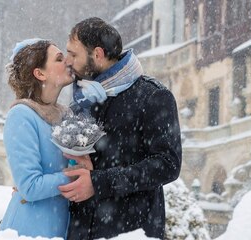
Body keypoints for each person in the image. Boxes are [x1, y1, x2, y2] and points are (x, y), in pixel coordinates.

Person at [58, 17, 182, 239]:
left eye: (73, 54)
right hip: (81, 228)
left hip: (130, 229)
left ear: (97, 54)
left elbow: (168, 164)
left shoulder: (153, 96)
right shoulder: (83, 98)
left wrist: (99, 182)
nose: (68, 61)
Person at [0, 38, 91, 239]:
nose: (67, 61)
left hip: (61, 227)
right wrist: (76, 175)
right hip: (28, 229)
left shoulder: (68, 116)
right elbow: (30, 187)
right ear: (40, 73)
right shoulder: (22, 115)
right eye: (59, 59)